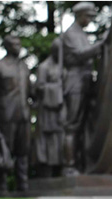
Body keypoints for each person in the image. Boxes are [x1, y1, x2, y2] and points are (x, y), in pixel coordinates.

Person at [61, 1, 106, 176]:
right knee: (72, 126)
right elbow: (80, 55)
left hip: (85, 80)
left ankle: (82, 163)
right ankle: (68, 166)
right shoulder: (71, 34)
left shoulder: (81, 34)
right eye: (88, 16)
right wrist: (101, 44)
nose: (90, 20)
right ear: (80, 15)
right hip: (75, 82)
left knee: (83, 126)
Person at [0, 34, 31, 194]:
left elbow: (30, 92)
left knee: (23, 152)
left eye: (19, 44)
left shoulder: (24, 67)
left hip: (24, 115)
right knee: (5, 151)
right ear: (7, 47)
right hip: (5, 116)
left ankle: (23, 186)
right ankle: (2, 187)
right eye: (15, 44)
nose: (18, 47)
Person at [35, 38, 65, 177]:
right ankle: (45, 168)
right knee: (47, 138)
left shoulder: (62, 66)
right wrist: (56, 89)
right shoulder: (44, 67)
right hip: (47, 108)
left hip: (60, 109)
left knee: (60, 136)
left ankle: (59, 167)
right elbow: (40, 87)